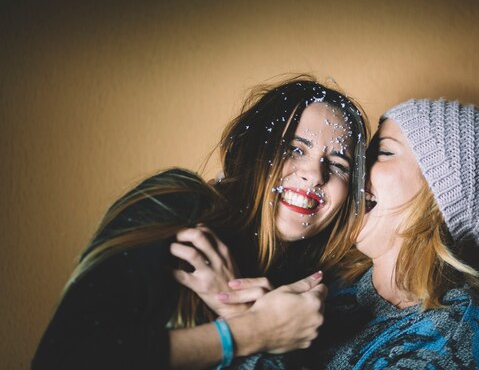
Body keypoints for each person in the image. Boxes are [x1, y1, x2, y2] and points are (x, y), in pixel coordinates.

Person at [31, 75, 369, 370]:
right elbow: (65, 359)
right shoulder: (178, 210)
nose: (314, 174)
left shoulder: (317, 295)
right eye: (295, 149)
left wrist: (241, 311)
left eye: (338, 164)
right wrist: (254, 331)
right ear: (253, 151)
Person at [226, 98, 479, 369]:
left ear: (442, 198)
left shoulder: (457, 335)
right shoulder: (329, 272)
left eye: (384, 152)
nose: (354, 168)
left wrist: (250, 335)